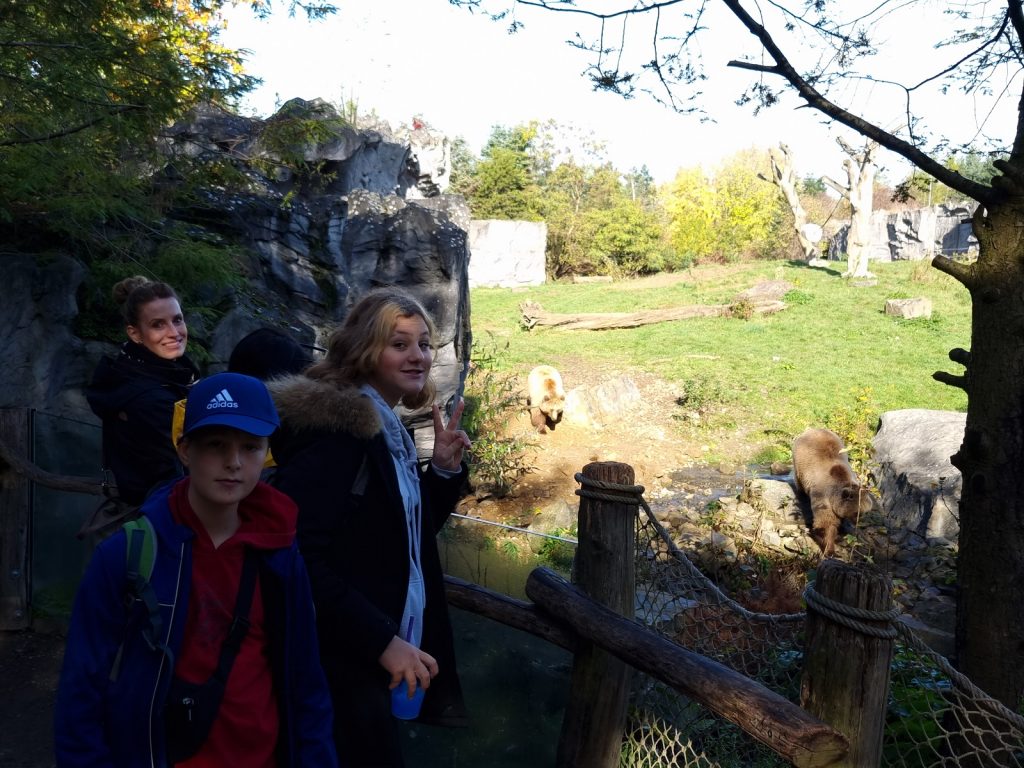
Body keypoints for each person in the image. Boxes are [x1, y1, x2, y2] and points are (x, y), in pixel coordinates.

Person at [55, 372, 338, 768]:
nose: (234, 462)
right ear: (185, 450)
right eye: (216, 444)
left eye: (250, 447)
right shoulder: (128, 553)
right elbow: (82, 682)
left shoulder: (279, 552)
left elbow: (304, 677)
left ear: (267, 453)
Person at [268, 287, 471, 768]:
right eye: (399, 344)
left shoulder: (385, 426)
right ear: (364, 349)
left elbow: (400, 537)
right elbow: (295, 552)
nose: (418, 356)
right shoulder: (341, 432)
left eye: (424, 344)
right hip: (339, 656)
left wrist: (442, 472)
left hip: (370, 647)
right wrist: (380, 641)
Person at [85, 276, 199, 505]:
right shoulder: (148, 397)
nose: (174, 332)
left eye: (177, 320)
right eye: (158, 324)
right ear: (135, 333)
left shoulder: (155, 370)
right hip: (165, 508)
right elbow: (199, 460)